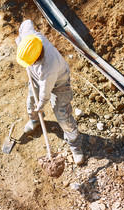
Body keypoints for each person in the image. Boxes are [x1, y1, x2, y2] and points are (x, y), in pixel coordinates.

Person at [15, 19, 85, 165]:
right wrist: (20, 38)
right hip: (36, 78)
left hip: (60, 84)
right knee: (30, 102)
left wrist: (41, 105)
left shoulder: (48, 67)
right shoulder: (31, 36)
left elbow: (44, 95)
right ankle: (35, 121)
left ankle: (75, 145)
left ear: (37, 58)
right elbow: (27, 21)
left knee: (63, 116)